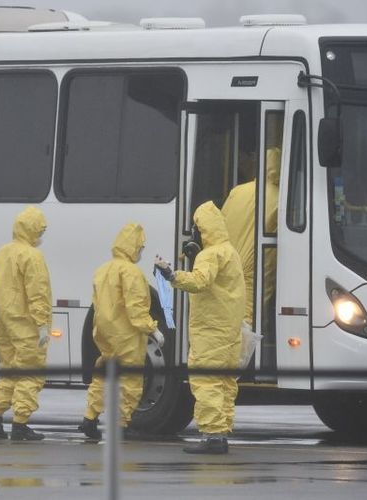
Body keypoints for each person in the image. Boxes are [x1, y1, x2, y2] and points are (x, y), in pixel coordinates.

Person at [155, 201, 245, 454]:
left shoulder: (210, 255)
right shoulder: (230, 251)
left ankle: (212, 436)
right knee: (225, 383)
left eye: (196, 228)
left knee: (206, 381)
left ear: (202, 229)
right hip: (229, 330)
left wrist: (172, 276)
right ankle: (221, 432)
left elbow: (200, 282)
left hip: (210, 330)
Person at [80, 223, 163, 441]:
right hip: (126, 334)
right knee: (130, 379)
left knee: (104, 375)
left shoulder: (103, 269)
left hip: (104, 332)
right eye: (140, 247)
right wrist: (152, 329)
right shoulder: (132, 273)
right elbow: (136, 309)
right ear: (133, 246)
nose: (141, 252)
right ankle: (121, 424)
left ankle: (90, 418)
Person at [0, 206, 52, 441]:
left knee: (11, 370)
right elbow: (38, 293)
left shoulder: (2, 252)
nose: (41, 235)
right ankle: (20, 424)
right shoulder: (32, 256)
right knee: (30, 372)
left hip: (1, 321)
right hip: (24, 323)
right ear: (32, 229)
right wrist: (42, 325)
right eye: (40, 230)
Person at [220, 147, 281, 327]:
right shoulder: (281, 198)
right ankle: (241, 355)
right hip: (256, 265)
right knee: (248, 315)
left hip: (229, 260)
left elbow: (220, 223)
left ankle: (225, 352)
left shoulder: (237, 191)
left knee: (227, 310)